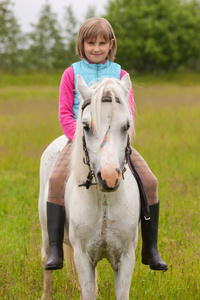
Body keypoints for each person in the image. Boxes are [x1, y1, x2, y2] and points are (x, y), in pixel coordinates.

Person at [45, 17, 168, 272]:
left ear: (111, 44)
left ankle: (150, 247)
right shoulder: (71, 74)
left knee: (150, 181)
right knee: (56, 180)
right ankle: (56, 247)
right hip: (83, 139)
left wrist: (121, 139)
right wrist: (79, 138)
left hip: (116, 142)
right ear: (82, 44)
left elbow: (128, 115)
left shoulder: (121, 75)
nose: (97, 48)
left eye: (102, 43)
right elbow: (65, 113)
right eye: (91, 43)